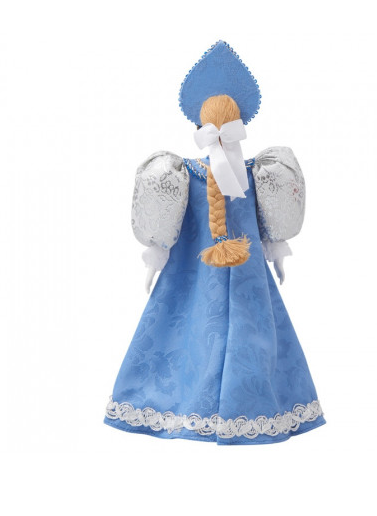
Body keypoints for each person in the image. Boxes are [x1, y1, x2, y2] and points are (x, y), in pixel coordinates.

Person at [104, 41, 325, 444]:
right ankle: (238, 410)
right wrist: (276, 252)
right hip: (234, 273)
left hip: (197, 274)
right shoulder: (254, 172)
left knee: (190, 334)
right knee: (250, 336)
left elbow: (164, 221)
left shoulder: (195, 172)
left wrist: (156, 256)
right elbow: (272, 224)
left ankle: (195, 406)